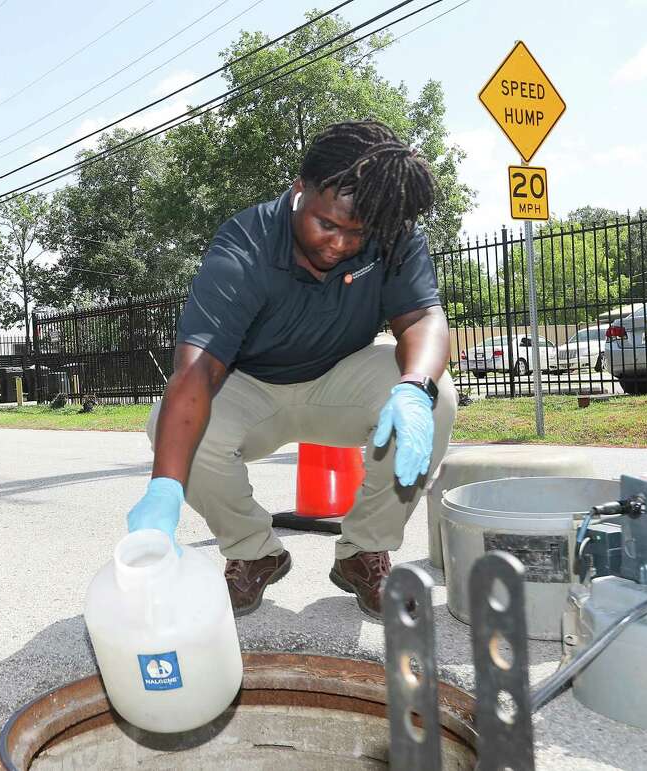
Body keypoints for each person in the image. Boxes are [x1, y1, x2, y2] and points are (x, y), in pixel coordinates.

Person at [127, 121, 457, 620]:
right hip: (252, 387)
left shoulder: (392, 235)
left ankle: (363, 552)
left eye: (357, 233)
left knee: (436, 396)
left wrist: (413, 388)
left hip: (339, 380)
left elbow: (422, 318)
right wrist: (164, 489)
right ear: (299, 189)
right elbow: (198, 370)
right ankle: (252, 550)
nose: (341, 244)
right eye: (328, 224)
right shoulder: (245, 246)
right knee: (169, 425)